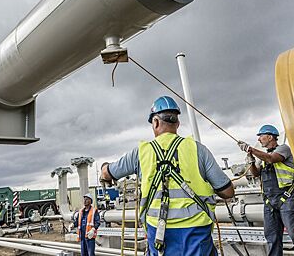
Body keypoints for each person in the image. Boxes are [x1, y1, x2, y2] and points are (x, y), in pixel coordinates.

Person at [100, 96, 235, 256]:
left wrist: (104, 168)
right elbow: (228, 192)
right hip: (196, 233)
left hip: (158, 233)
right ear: (177, 123)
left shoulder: (140, 153)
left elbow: (107, 173)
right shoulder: (198, 150)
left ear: (155, 122)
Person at [237, 125, 294, 256]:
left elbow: (272, 159)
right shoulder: (263, 157)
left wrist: (251, 149)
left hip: (286, 198)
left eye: (261, 136)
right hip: (269, 201)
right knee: (272, 238)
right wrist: (251, 161)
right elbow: (256, 174)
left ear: (270, 137)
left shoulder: (283, 149)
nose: (259, 139)